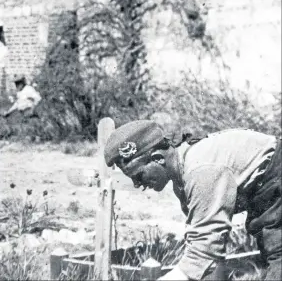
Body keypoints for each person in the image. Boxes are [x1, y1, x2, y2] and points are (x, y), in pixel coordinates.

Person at [104, 120, 280, 281]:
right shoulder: (181, 180)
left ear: (157, 158)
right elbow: (208, 251)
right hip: (264, 191)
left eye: (139, 175)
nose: (136, 184)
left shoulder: (201, 172)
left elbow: (205, 249)